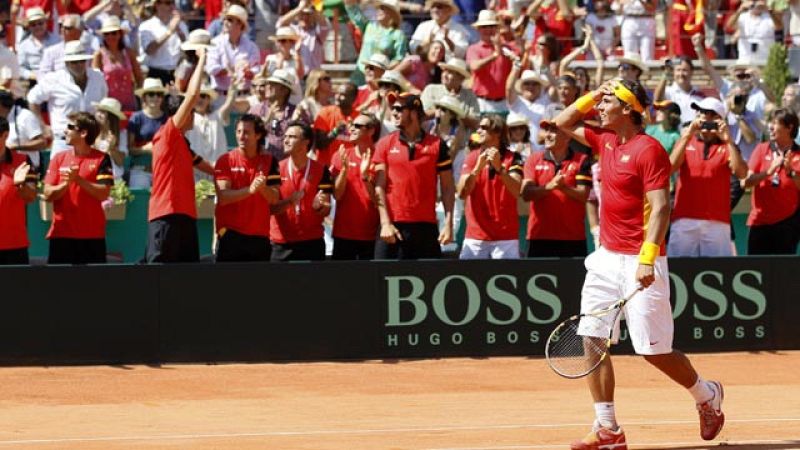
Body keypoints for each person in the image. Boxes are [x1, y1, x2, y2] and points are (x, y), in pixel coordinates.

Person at [549, 79, 725, 448]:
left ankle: (706, 395)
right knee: (591, 339)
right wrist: (596, 93)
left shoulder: (650, 150)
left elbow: (661, 207)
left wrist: (647, 257)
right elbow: (562, 121)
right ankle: (608, 428)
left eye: (608, 101)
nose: (599, 107)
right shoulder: (605, 139)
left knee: (654, 351)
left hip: (642, 259)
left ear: (628, 109)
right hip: (605, 257)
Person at [144, 48, 214, 263]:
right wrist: (202, 58)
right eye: (190, 111)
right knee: (158, 279)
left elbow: (204, 165)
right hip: (166, 215)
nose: (193, 114)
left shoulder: (182, 142)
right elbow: (192, 95)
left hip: (185, 215)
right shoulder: (168, 133)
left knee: (186, 278)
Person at [373, 93, 455, 259]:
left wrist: (448, 224)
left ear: (414, 112)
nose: (393, 113)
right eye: (392, 108)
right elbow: (379, 186)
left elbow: (447, 187)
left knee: (431, 282)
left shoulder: (438, 145)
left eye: (398, 109)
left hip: (426, 227)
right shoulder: (384, 143)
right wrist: (385, 223)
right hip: (393, 227)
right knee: (381, 282)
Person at [668, 98, 748, 257]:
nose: (703, 117)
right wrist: (686, 135)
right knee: (677, 272)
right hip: (684, 218)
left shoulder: (727, 145)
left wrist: (729, 140)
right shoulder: (686, 140)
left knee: (717, 274)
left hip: (717, 221)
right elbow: (669, 168)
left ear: (719, 119)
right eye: (701, 112)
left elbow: (742, 174)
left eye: (709, 114)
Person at [42, 112, 114, 264]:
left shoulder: (102, 159)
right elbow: (48, 194)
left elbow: (103, 193)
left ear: (83, 133)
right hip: (61, 236)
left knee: (93, 287)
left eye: (70, 127)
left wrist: (78, 180)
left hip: (92, 237)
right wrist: (66, 184)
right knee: (59, 286)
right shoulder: (58, 158)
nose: (65, 131)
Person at [521, 106, 592, 257]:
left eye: (553, 130)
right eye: (546, 130)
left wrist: (563, 187)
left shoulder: (582, 160)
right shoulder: (533, 159)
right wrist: (550, 187)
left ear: (567, 136)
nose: (548, 135)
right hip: (539, 237)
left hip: (573, 239)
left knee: (573, 281)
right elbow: (526, 194)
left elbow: (583, 195)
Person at [214, 114, 281, 262]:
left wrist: (263, 188)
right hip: (230, 236)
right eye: (238, 132)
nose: (241, 136)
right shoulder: (225, 160)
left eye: (246, 132)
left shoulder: (270, 161)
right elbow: (223, 197)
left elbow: (275, 198)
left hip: (259, 238)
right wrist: (250, 190)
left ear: (258, 135)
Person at [457, 114, 523, 259]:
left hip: (506, 237)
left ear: (498, 132)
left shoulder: (513, 158)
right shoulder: (472, 157)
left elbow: (517, 191)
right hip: (475, 235)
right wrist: (477, 169)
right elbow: (462, 193)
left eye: (484, 128)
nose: (478, 131)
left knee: (508, 280)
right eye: (478, 127)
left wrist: (500, 169)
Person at [27, 41, 108, 157]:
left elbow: (103, 103)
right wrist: (42, 126)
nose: (79, 65)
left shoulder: (98, 77)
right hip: (64, 141)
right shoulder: (54, 79)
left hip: (91, 140)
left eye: (81, 61)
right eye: (74, 62)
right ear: (67, 63)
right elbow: (32, 99)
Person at [269, 121, 333, 261]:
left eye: (292, 136)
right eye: (285, 136)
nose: (286, 140)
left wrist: (319, 207)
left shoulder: (322, 170)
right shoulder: (275, 169)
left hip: (312, 243)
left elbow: (327, 209)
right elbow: (271, 208)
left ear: (306, 143)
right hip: (281, 244)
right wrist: (289, 202)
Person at [742, 108, 800, 255]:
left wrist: (791, 172)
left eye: (775, 123)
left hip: (788, 224)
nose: (770, 127)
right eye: (770, 123)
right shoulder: (762, 149)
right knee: (755, 271)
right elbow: (745, 182)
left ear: (789, 127)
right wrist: (768, 171)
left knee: (783, 273)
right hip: (759, 222)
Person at [330, 114, 381, 260]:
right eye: (351, 124)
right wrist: (344, 170)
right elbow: (337, 195)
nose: (351, 128)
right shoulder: (340, 155)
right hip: (343, 235)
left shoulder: (380, 157)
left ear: (371, 131)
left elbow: (378, 201)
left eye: (358, 126)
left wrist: (365, 176)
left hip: (371, 236)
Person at [0, 117, 38, 265]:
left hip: (14, 245)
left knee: (15, 289)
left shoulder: (23, 160)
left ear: (5, 135)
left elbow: (31, 197)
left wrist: (20, 184)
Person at [344, 0, 408, 86]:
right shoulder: (369, 26)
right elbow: (353, 10)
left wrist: (383, 70)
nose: (378, 11)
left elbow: (399, 58)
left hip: (379, 79)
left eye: (382, 8)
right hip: (360, 74)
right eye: (378, 8)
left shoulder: (398, 35)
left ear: (392, 13)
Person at [206, 4, 260, 96]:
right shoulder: (215, 43)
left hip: (243, 96)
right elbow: (211, 68)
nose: (225, 22)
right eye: (225, 19)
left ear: (240, 24)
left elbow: (256, 71)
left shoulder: (252, 47)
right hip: (221, 97)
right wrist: (230, 71)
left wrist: (247, 72)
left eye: (230, 20)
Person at [92, 15, 143, 112]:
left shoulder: (129, 53)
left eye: (114, 33)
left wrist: (141, 98)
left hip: (129, 103)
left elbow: (139, 78)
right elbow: (95, 81)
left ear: (120, 34)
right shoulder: (99, 55)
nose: (110, 36)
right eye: (107, 34)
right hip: (108, 105)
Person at [466, 10, 513, 113]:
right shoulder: (474, 49)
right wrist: (495, 55)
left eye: (491, 26)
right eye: (484, 27)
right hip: (482, 102)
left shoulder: (508, 49)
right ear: (478, 29)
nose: (488, 30)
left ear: (497, 29)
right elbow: (474, 66)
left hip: (503, 103)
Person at [251, 69, 298, 162]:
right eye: (268, 83)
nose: (268, 86)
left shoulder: (295, 112)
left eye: (273, 84)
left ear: (284, 90)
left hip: (287, 166)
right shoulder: (256, 110)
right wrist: (267, 120)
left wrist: (295, 121)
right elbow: (250, 136)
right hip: (260, 165)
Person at [420, 57, 479, 129]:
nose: (444, 75)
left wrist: (457, 112)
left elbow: (475, 123)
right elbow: (421, 116)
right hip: (433, 137)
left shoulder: (470, 96)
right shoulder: (431, 89)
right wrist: (444, 108)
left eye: (450, 72)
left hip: (461, 139)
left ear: (461, 78)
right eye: (444, 71)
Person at [138, 0, 187, 85]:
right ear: (157, 5)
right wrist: (169, 32)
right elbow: (149, 50)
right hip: (156, 74)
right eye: (168, 3)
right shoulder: (146, 26)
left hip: (176, 74)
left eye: (173, 3)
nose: (172, 7)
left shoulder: (181, 25)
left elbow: (188, 50)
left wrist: (179, 31)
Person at [276, 0, 331, 73]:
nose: (305, 17)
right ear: (297, 15)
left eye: (308, 15)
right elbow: (279, 24)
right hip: (294, 75)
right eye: (302, 14)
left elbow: (325, 25)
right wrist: (299, 8)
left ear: (313, 16)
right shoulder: (293, 30)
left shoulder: (318, 33)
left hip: (312, 75)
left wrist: (314, 9)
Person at [314, 82, 360, 168]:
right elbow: (319, 144)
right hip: (326, 168)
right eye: (337, 93)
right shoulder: (325, 113)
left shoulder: (359, 118)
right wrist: (336, 131)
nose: (337, 97)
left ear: (353, 99)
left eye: (343, 95)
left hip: (349, 167)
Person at [0, 88, 46, 171]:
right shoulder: (2, 117)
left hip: (27, 168)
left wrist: (17, 147)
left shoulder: (25, 116)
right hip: (5, 168)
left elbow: (42, 142)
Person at [507, 69, 551, 151]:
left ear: (540, 86)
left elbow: (555, 88)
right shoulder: (516, 102)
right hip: (518, 152)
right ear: (521, 86)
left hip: (542, 151)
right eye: (527, 83)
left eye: (535, 84)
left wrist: (546, 67)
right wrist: (516, 67)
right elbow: (509, 88)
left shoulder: (547, 101)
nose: (531, 87)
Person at [653, 56, 704, 126]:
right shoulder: (668, 91)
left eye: (684, 70)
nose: (681, 74)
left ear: (692, 72)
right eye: (678, 70)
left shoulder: (699, 93)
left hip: (693, 134)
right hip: (673, 135)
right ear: (673, 72)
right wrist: (666, 72)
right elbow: (657, 100)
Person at [16, 7, 61, 85]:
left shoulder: (57, 40)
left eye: (40, 23)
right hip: (34, 82)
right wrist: (32, 75)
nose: (37, 27)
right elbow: (20, 68)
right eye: (33, 25)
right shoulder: (24, 45)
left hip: (57, 80)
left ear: (45, 23)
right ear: (29, 27)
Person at [37, 14, 86, 80]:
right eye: (61, 27)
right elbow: (42, 75)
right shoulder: (51, 52)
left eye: (67, 28)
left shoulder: (89, 49)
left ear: (79, 31)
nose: (62, 30)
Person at [93, 97, 128, 180]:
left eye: (102, 112)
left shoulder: (122, 134)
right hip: (93, 178)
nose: (98, 114)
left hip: (115, 180)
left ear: (111, 117)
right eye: (99, 111)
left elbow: (120, 162)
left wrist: (112, 148)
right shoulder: (90, 131)